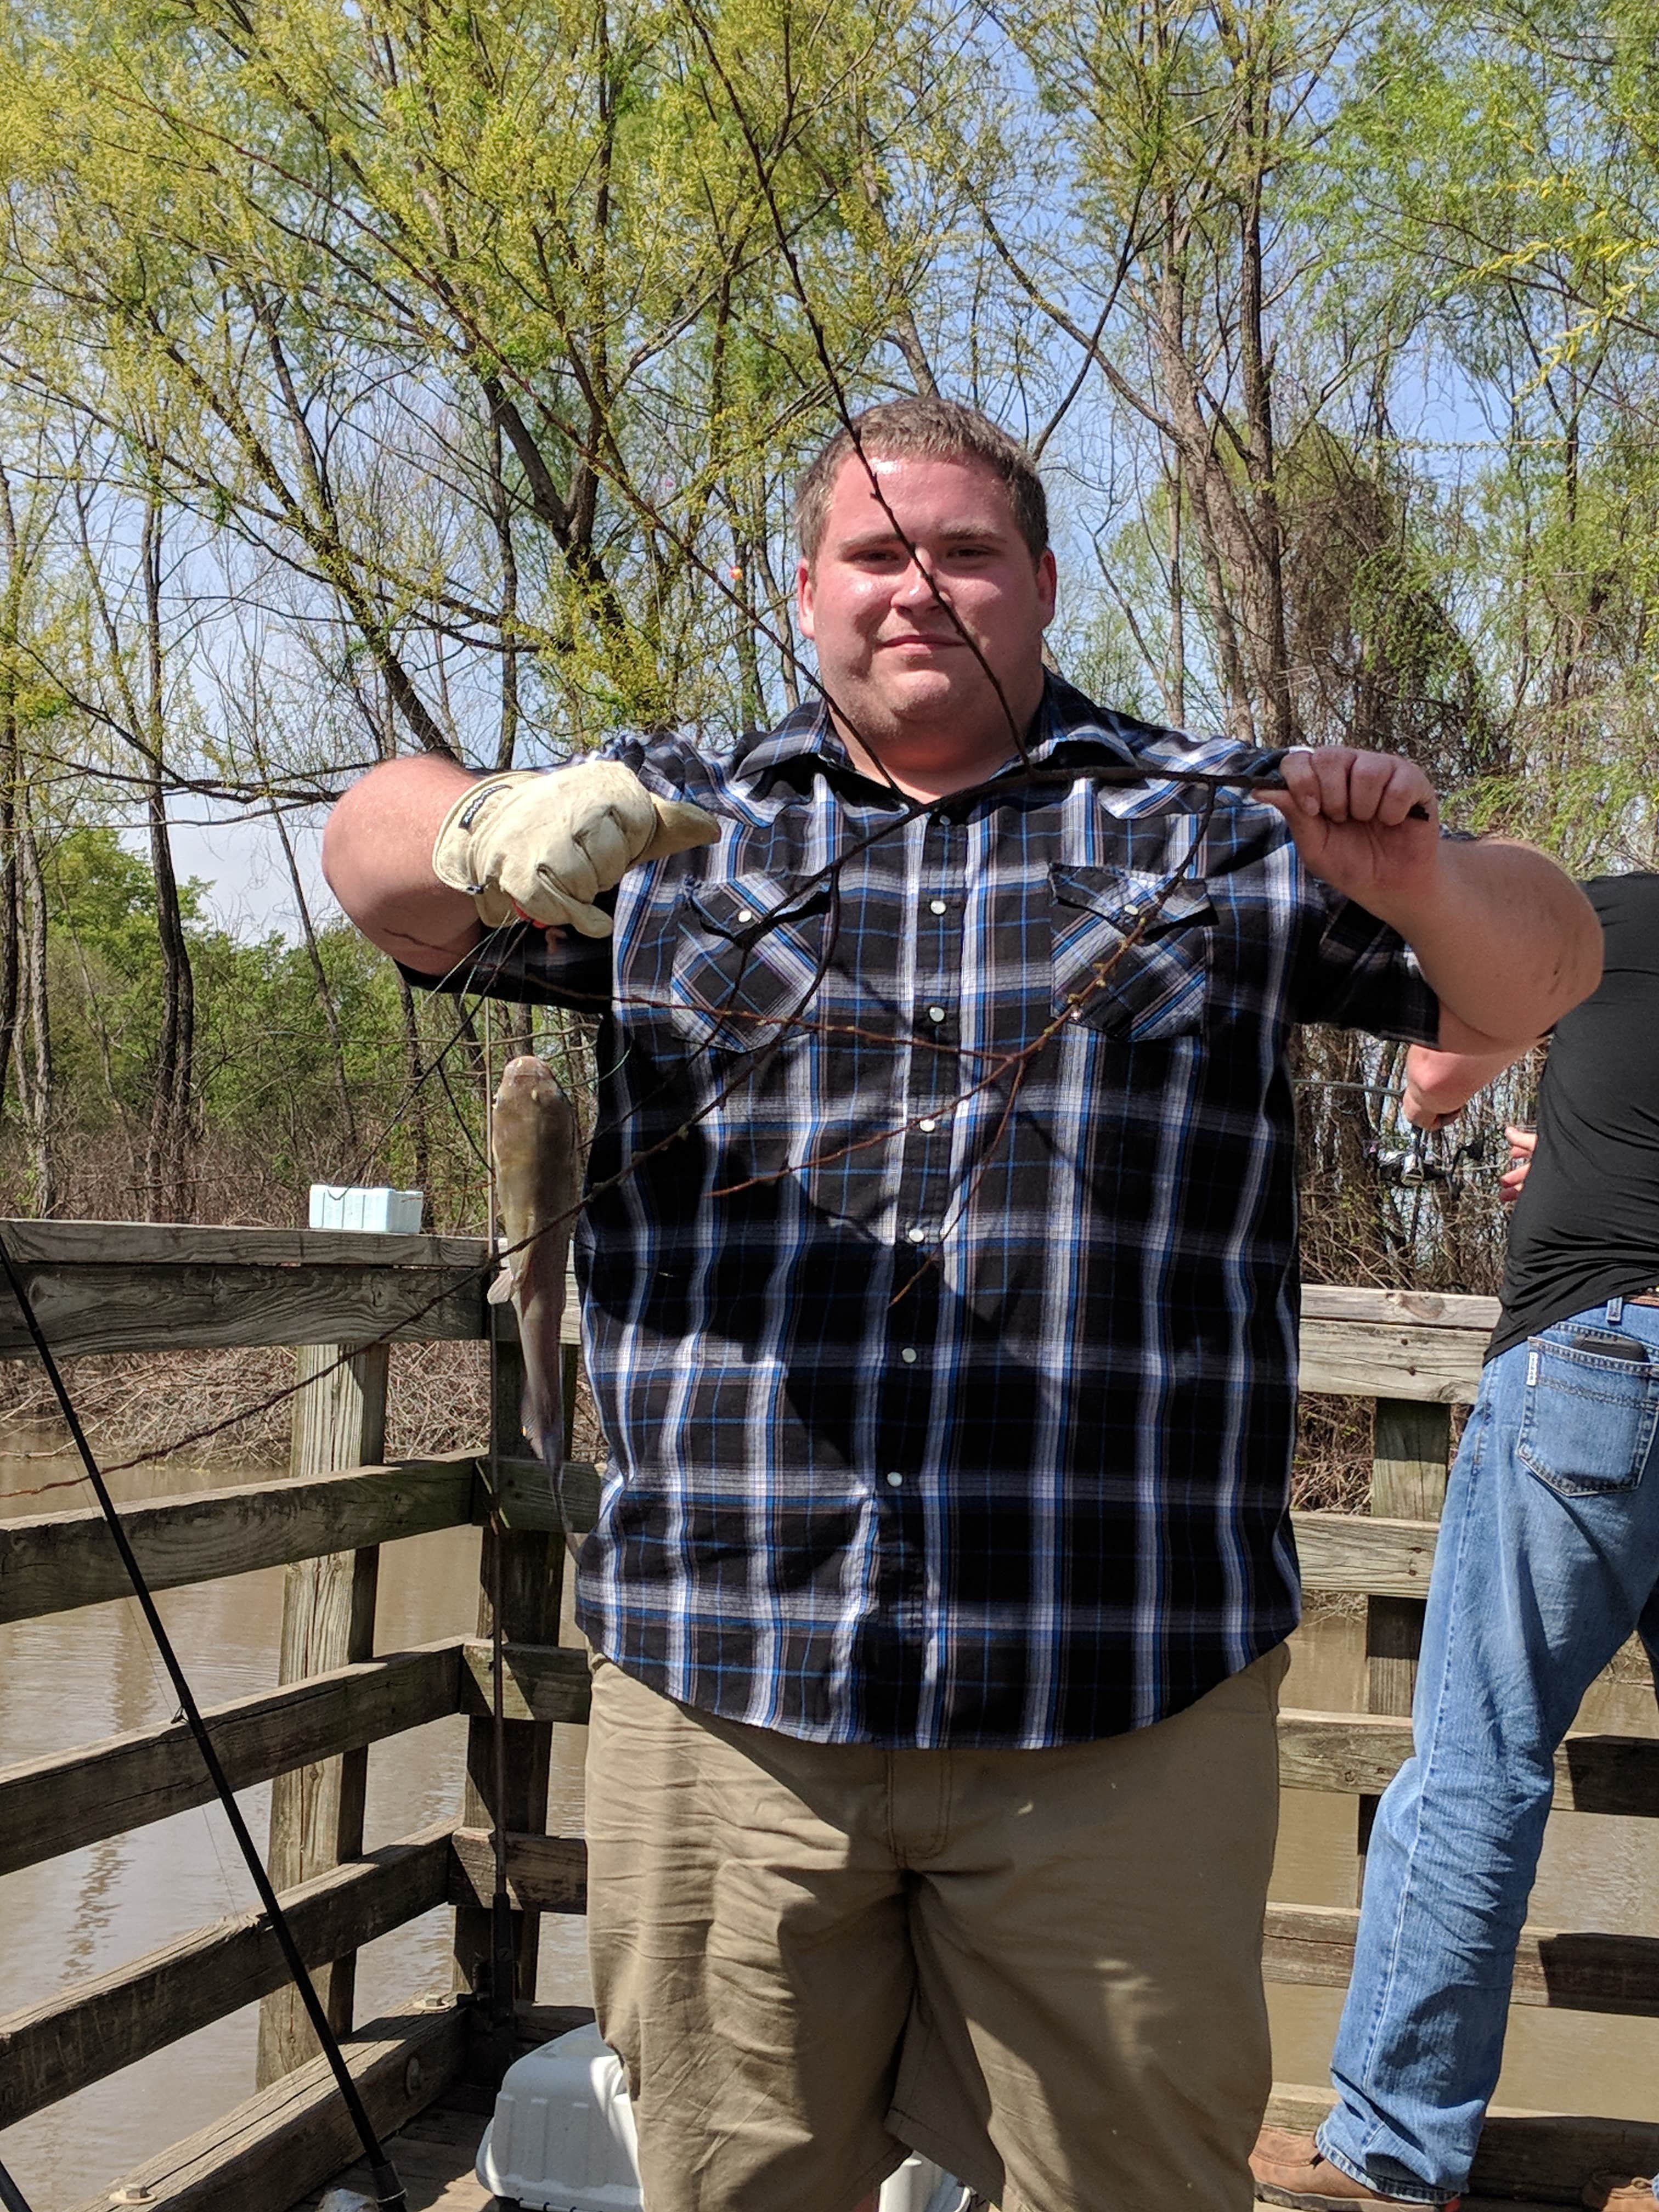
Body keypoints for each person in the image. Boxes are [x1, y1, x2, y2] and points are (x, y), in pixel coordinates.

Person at [324, 396, 1601, 2212]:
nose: (916, 589)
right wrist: (476, 827)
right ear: (801, 593)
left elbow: (1544, 966)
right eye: (873, 554)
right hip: (726, 1686)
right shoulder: (670, 826)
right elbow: (367, 851)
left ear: (1042, 585)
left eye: (965, 553)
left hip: (1117, 1697)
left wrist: (1419, 876)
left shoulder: (1212, 822)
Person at [1251, 872, 1659, 2212]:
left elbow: (1429, 1076)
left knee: (1481, 1760)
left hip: (1599, 1356)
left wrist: (1532, 1096)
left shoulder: (1609, 921)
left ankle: (1392, 2148)